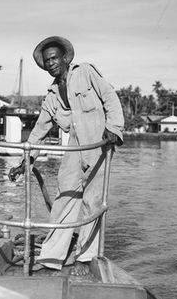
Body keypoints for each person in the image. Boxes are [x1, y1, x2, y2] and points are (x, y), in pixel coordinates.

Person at [8, 36, 124, 275]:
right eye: (47, 60)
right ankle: (52, 256)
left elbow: (110, 97)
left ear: (64, 58)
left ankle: (86, 257)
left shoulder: (86, 73)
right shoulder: (51, 95)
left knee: (92, 201)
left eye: (54, 58)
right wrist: (24, 163)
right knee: (65, 196)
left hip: (99, 145)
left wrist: (114, 128)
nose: (51, 63)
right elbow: (38, 132)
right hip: (75, 148)